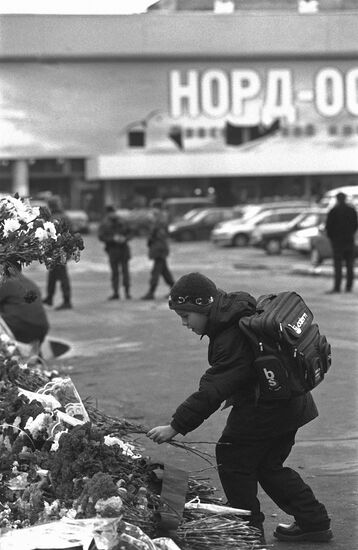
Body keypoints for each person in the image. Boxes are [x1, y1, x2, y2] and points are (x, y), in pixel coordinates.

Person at [147, 272, 332, 543]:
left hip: (267, 408)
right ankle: (313, 522)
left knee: (233, 460)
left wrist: (175, 426)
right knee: (268, 466)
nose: (184, 323)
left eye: (186, 316)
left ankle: (247, 534)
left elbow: (213, 389)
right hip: (289, 403)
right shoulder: (235, 310)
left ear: (203, 306)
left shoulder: (230, 335)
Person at [0, 263, 49, 350]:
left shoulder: (7, 282)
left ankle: (6, 355)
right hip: (41, 329)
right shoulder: (29, 282)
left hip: (21, 329)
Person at [42, 196, 73, 310]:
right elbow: (72, 234)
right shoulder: (65, 216)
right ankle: (50, 297)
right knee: (53, 275)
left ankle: (67, 300)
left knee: (61, 276)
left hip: (57, 251)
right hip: (62, 250)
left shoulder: (52, 218)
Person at [141, 200, 175, 300]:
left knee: (156, 271)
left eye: (153, 207)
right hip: (160, 247)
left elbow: (155, 233)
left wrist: (150, 239)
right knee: (164, 271)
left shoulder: (159, 219)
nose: (152, 210)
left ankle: (151, 292)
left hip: (159, 247)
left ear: (157, 208)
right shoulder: (162, 218)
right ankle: (175, 290)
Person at [325, 192, 358, 294]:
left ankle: (337, 287)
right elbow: (355, 225)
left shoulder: (333, 211)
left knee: (338, 265)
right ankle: (348, 287)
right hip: (349, 241)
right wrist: (350, 234)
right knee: (349, 265)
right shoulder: (351, 210)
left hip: (337, 242)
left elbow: (328, 227)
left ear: (337, 199)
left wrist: (332, 238)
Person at [98, 206, 132, 300]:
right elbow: (101, 236)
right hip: (115, 249)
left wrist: (124, 239)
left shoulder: (107, 222)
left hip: (118, 249)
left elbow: (130, 233)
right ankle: (120, 292)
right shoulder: (107, 223)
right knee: (118, 272)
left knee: (121, 272)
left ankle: (123, 292)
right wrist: (113, 239)